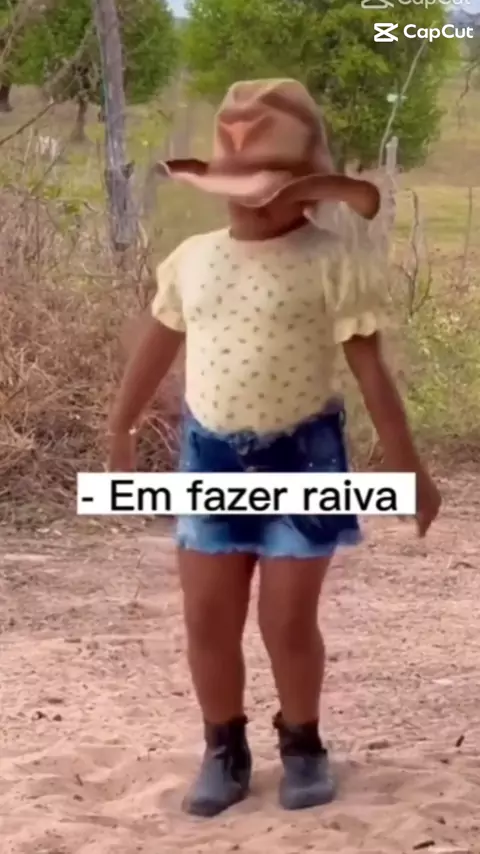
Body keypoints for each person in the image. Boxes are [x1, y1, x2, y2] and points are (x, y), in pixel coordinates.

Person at [108, 79, 441, 818]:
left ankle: (303, 741)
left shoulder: (330, 261)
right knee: (208, 616)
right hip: (211, 459)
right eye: (240, 185)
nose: (252, 201)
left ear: (309, 194)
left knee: (287, 620)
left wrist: (408, 466)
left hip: (306, 456)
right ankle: (222, 746)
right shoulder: (193, 261)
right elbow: (157, 348)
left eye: (270, 187)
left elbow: (371, 371)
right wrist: (120, 428)